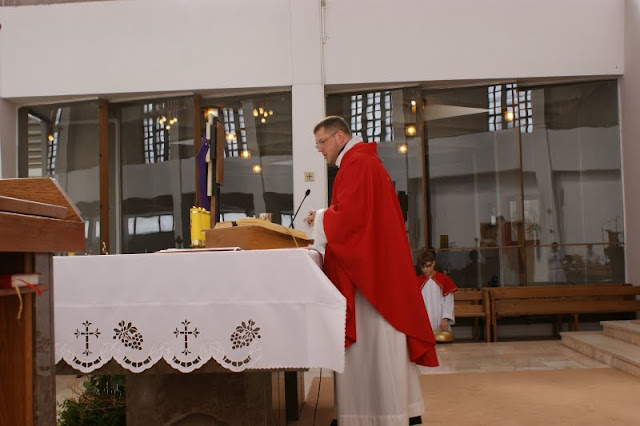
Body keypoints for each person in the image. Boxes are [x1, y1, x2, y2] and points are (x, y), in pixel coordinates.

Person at [304, 116, 438, 426]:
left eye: (322, 142)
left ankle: (376, 415)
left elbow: (352, 219)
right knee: (379, 348)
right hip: (375, 270)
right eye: (317, 145)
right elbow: (356, 215)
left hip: (370, 280)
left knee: (374, 347)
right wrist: (325, 216)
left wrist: (322, 218)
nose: (320, 149)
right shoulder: (360, 162)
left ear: (339, 136)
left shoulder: (358, 164)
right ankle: (392, 411)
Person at [417, 250, 457, 334]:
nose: (425, 269)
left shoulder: (444, 279)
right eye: (423, 267)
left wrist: (445, 318)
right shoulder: (417, 282)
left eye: (428, 266)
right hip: (424, 319)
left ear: (434, 263)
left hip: (440, 318)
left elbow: (449, 301)